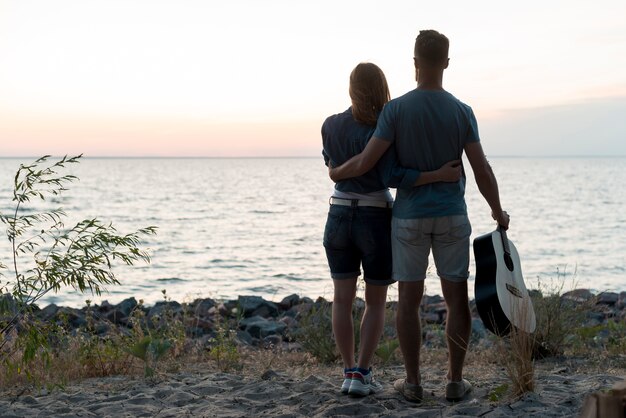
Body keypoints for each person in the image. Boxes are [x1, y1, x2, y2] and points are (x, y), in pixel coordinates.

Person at [329, 30, 510, 403]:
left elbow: (374, 165)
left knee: (408, 301)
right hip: (451, 216)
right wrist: (497, 210)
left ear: (414, 64)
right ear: (445, 63)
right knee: (456, 300)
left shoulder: (395, 111)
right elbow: (481, 169)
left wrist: (335, 172)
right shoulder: (462, 111)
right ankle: (454, 382)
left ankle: (412, 384)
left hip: (408, 217)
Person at [322, 62, 462, 397]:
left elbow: (332, 168)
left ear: (351, 88)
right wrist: (437, 175)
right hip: (375, 214)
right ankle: (363, 371)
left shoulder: (330, 125)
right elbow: (390, 175)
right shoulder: (385, 123)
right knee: (375, 300)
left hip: (339, 213)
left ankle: (347, 371)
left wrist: (337, 172)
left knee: (341, 300)